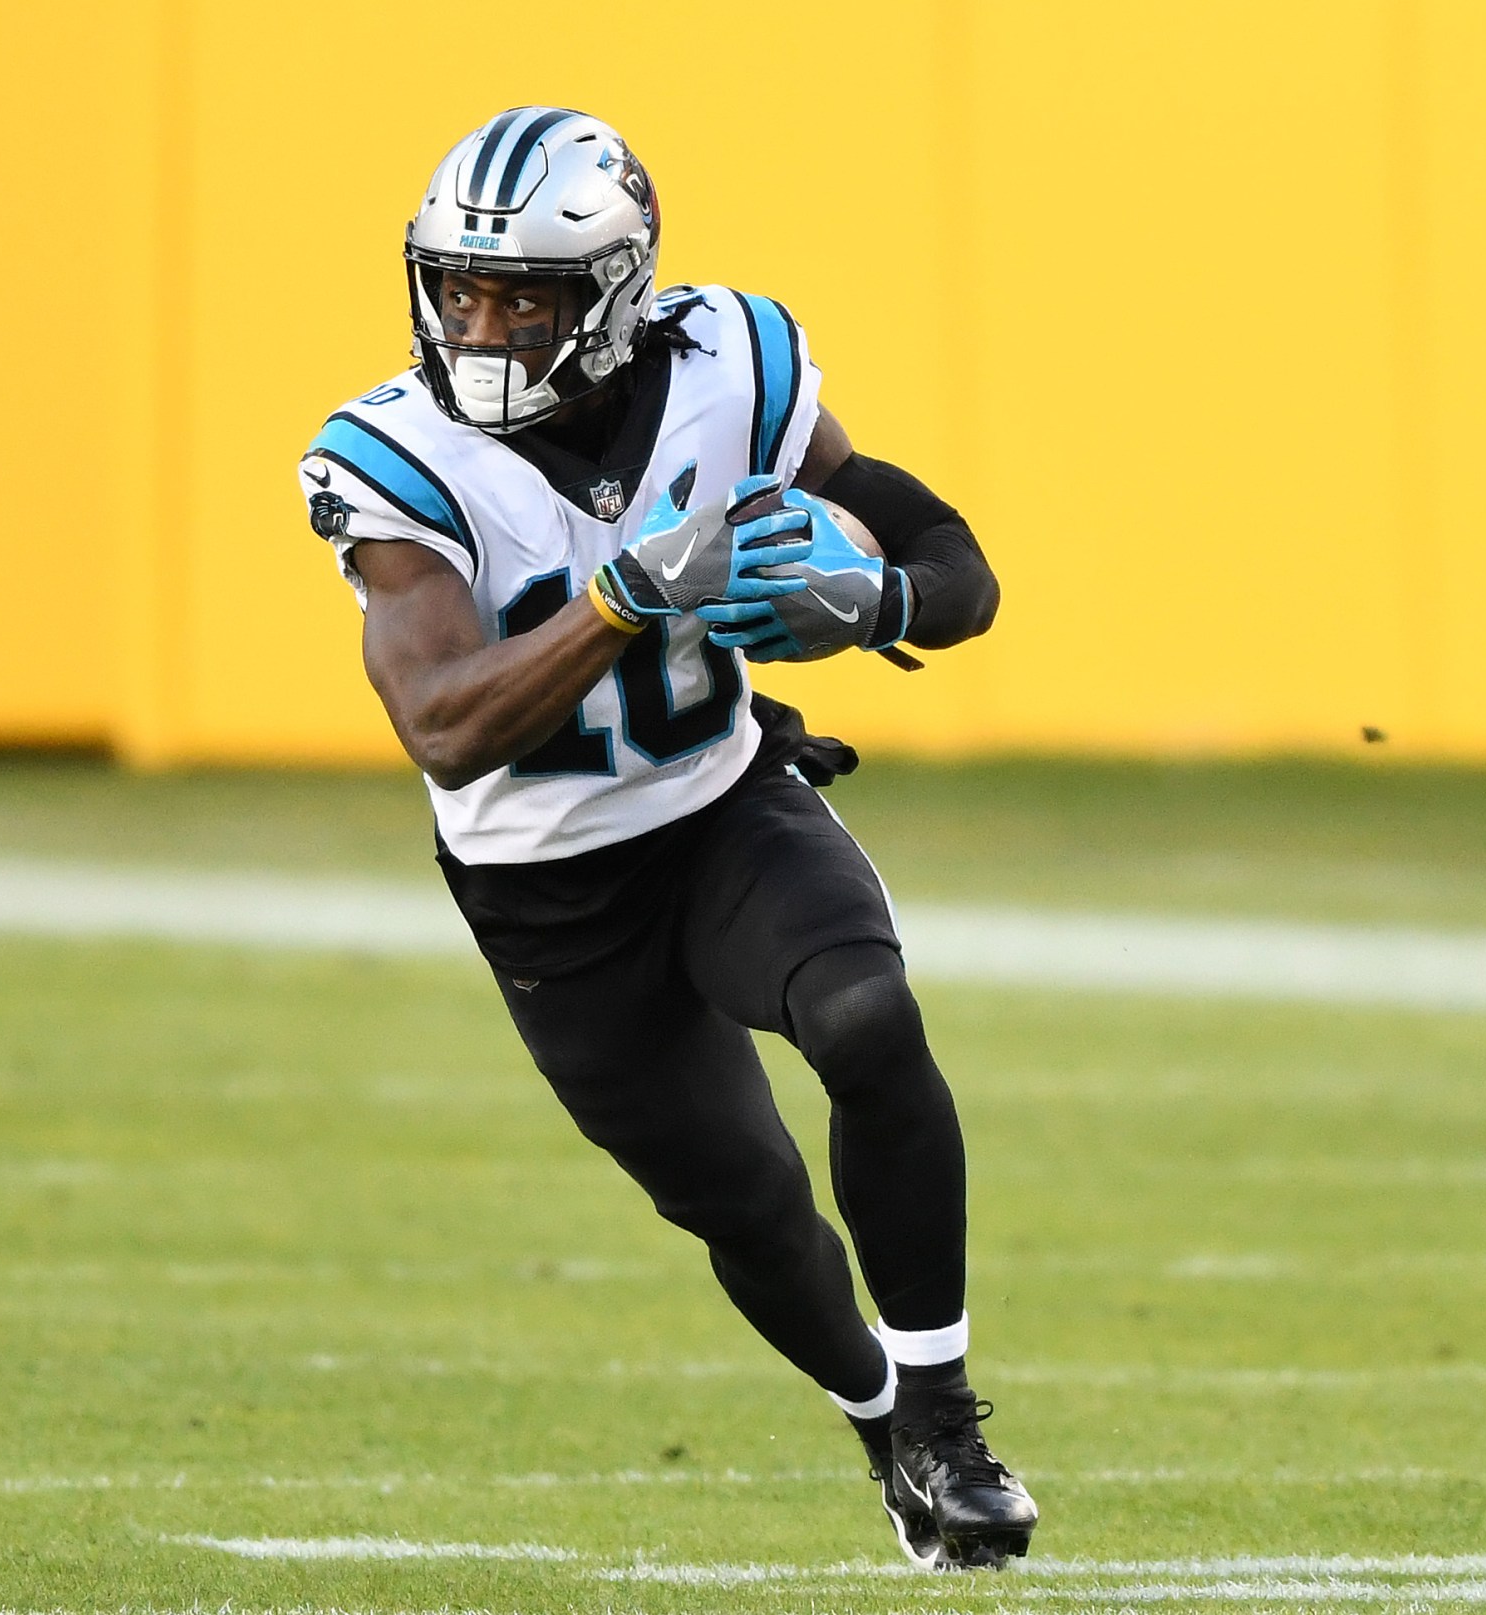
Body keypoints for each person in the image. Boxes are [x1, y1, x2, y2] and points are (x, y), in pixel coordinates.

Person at [295, 107, 1035, 1569]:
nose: (483, 324)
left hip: (721, 807)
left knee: (867, 1014)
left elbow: (953, 562)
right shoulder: (393, 458)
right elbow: (443, 722)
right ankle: (885, 1421)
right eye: (460, 288)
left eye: (525, 295)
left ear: (620, 292)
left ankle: (948, 1415)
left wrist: (881, 604)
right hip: (548, 892)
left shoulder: (732, 365)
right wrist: (627, 595)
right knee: (750, 1208)